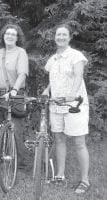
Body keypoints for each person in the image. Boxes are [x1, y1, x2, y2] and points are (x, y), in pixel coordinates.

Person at [42, 24, 90, 194]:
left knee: (78, 143)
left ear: (69, 37)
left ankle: (85, 180)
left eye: (64, 34)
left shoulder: (76, 56)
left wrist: (72, 94)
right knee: (59, 139)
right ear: (54, 37)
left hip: (74, 105)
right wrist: (47, 89)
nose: (60, 37)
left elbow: (78, 75)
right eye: (58, 34)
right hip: (56, 105)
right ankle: (60, 175)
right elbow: (54, 78)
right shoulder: (53, 58)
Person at [0, 23, 30, 168]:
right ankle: (0, 155)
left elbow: (22, 73)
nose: (9, 36)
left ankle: (22, 161)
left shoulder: (21, 52)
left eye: (13, 34)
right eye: (7, 33)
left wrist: (14, 91)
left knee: (16, 129)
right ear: (3, 36)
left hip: (15, 94)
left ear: (17, 38)